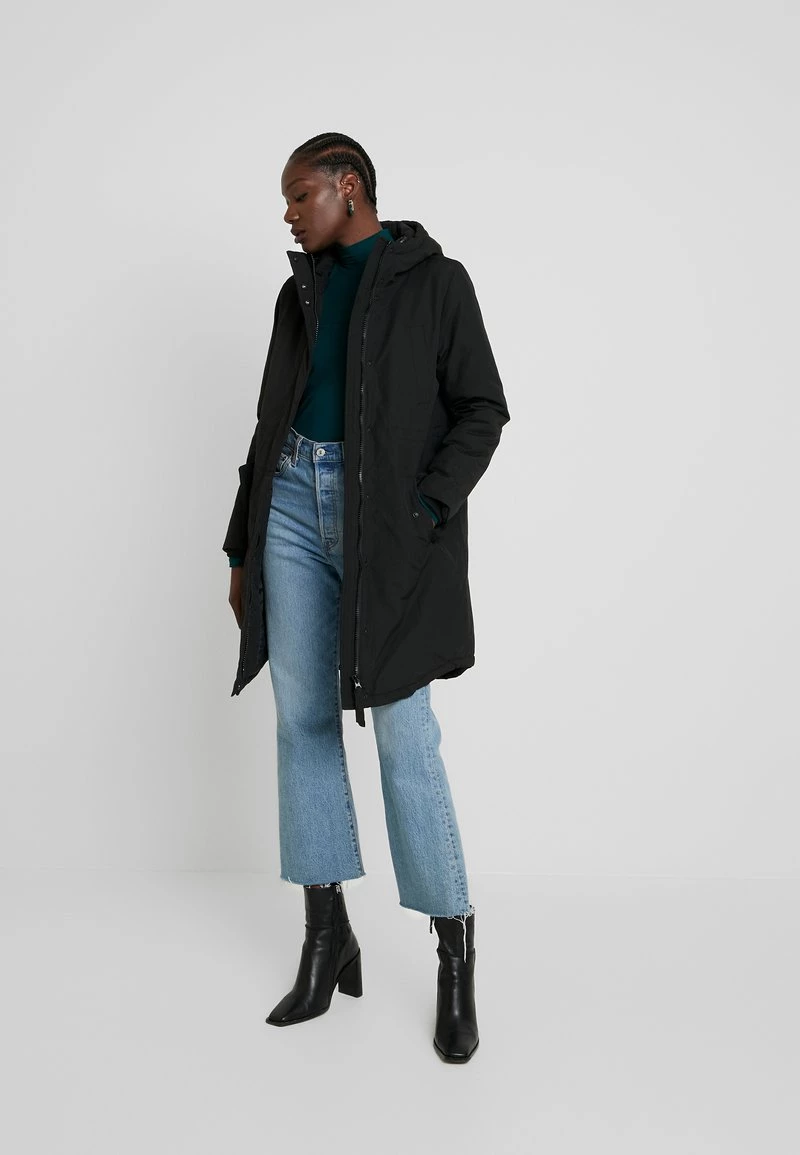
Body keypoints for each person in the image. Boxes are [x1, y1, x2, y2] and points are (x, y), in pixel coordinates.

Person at [223, 132, 510, 1063]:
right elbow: (269, 417)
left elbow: (483, 408)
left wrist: (424, 508)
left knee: (404, 735)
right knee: (302, 720)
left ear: (350, 187)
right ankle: (326, 936)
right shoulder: (297, 292)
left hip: (386, 527)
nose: (288, 214)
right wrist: (241, 544)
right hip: (290, 506)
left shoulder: (437, 283)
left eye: (299, 196)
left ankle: (454, 953)